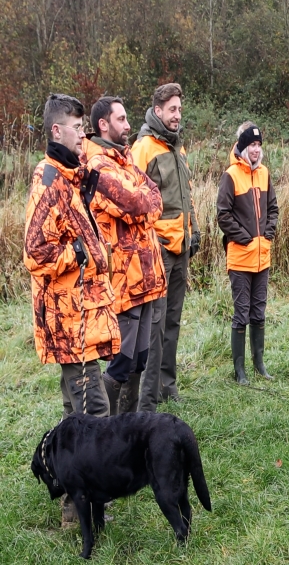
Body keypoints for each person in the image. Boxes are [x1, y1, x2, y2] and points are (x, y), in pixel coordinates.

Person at [23, 93, 121, 525]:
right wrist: (77, 253)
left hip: (83, 316)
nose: (83, 135)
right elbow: (35, 252)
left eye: (84, 127)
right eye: (77, 128)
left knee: (76, 412)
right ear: (56, 130)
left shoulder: (70, 176)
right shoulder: (49, 181)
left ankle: (76, 502)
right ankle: (82, 507)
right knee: (92, 414)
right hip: (69, 322)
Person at [86, 96, 166, 414]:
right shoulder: (97, 166)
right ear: (103, 124)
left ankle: (128, 427)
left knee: (139, 361)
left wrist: (143, 200)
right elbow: (135, 204)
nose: (128, 124)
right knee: (121, 363)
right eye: (121, 119)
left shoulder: (126, 158)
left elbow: (155, 198)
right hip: (123, 282)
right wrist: (143, 200)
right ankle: (105, 426)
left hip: (146, 278)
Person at [131, 83, 200, 410]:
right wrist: (151, 242)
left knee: (173, 321)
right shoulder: (143, 148)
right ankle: (148, 394)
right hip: (158, 251)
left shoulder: (178, 148)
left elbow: (186, 197)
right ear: (157, 110)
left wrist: (194, 229)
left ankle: (167, 385)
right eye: (172, 109)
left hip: (181, 247)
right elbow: (131, 200)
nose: (177, 115)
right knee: (155, 326)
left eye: (179, 110)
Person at [217, 122, 279, 384]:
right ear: (243, 147)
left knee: (259, 312)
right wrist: (245, 239)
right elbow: (223, 215)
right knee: (241, 313)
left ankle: (259, 364)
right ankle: (239, 371)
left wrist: (267, 234)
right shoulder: (231, 175)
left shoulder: (264, 173)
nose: (256, 149)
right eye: (251, 145)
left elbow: (273, 208)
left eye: (258, 145)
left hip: (262, 258)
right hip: (240, 258)